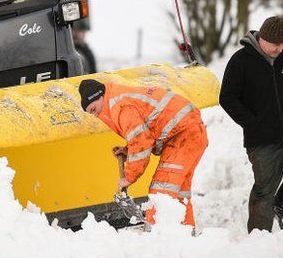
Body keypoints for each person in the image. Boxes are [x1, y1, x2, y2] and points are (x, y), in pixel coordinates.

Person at [219, 16, 283, 233]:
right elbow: (227, 98)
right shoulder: (241, 61)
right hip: (262, 141)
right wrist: (252, 123)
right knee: (264, 190)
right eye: (276, 44)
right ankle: (259, 237)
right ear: (262, 39)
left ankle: (281, 206)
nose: (280, 48)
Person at [79, 79, 208, 227]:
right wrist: (128, 150)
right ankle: (185, 232)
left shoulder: (119, 106)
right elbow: (144, 133)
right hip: (190, 133)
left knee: (161, 192)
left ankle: (157, 236)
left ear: (100, 97)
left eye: (94, 109)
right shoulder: (118, 96)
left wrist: (128, 177)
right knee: (178, 193)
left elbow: (141, 141)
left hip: (183, 136)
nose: (95, 115)